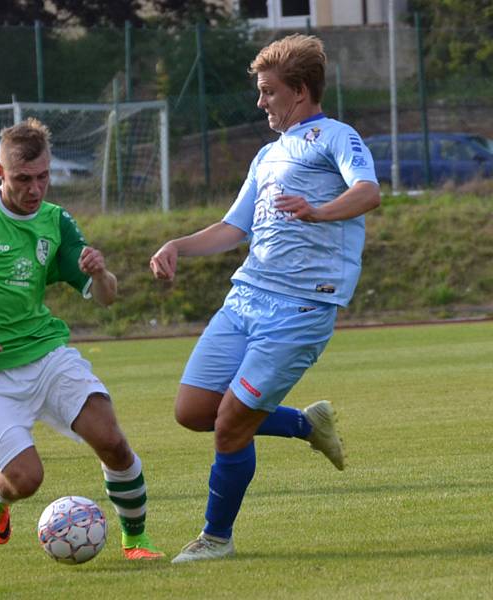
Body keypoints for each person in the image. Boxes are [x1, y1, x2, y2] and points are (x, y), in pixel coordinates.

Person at [150, 34, 381, 563]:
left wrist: (318, 211)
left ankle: (216, 538)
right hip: (246, 298)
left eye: (268, 91)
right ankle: (305, 422)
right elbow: (234, 229)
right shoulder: (267, 155)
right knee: (193, 410)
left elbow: (367, 192)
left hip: (302, 306)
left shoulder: (335, 136)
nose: (261, 102)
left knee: (231, 423)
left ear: (299, 92)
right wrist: (177, 246)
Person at [0, 118, 163, 560]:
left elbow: (104, 298)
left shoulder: (56, 221)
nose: (36, 188)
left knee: (111, 438)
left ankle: (135, 539)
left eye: (43, 177)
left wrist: (101, 274)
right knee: (25, 480)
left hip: (46, 356)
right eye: (23, 179)